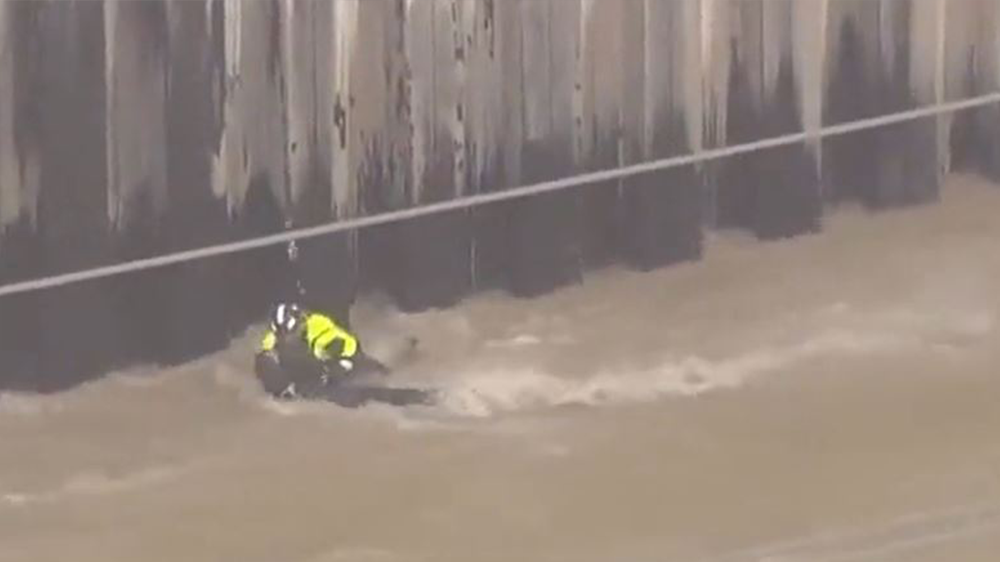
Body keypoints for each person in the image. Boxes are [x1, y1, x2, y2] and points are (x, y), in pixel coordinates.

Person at [256, 302, 384, 398]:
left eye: (291, 332)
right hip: (316, 363)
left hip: (348, 357)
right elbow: (266, 354)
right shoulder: (276, 335)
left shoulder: (319, 331)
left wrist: (338, 368)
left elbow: (345, 349)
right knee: (265, 361)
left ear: (301, 323)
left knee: (361, 378)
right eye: (282, 334)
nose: (286, 338)